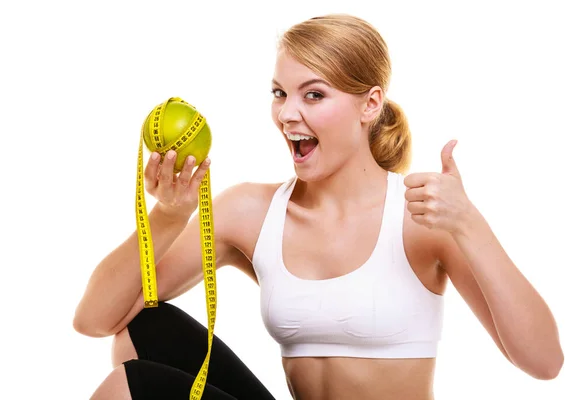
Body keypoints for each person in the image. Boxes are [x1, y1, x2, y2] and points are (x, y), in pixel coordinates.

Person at [74, 13, 564, 400]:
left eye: (314, 94)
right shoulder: (250, 211)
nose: (288, 114)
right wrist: (168, 216)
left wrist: (469, 225)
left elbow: (545, 363)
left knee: (131, 385)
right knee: (139, 336)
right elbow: (95, 319)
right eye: (280, 93)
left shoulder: (420, 216)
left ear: (370, 104)